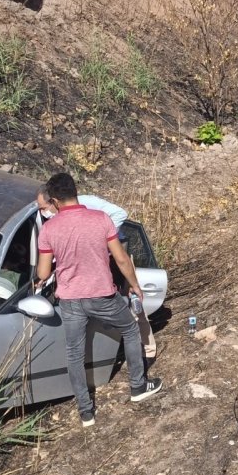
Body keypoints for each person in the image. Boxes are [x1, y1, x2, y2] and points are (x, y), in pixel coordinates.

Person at [36, 172, 161, 428]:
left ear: (56, 201)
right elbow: (121, 259)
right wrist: (135, 285)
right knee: (129, 328)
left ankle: (86, 412)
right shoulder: (100, 219)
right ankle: (138, 386)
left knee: (74, 353)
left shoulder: (48, 229)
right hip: (102, 295)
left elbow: (44, 273)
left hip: (70, 301)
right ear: (75, 192)